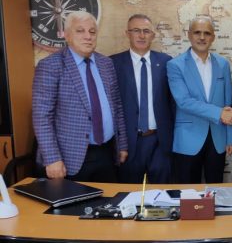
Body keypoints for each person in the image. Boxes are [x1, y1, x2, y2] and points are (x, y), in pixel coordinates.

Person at [32, 11, 128, 182]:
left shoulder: (106, 64)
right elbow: (42, 117)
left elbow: (117, 106)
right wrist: (52, 158)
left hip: (106, 152)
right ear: (67, 35)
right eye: (80, 31)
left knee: (107, 198)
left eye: (92, 31)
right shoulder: (50, 66)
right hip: (70, 157)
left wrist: (122, 145)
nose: (88, 36)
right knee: (74, 200)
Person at [167, 15, 232, 183]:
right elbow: (184, 102)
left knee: (216, 189)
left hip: (218, 138)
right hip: (188, 139)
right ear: (189, 35)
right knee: (188, 191)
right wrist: (219, 113)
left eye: (207, 33)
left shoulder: (223, 64)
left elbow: (228, 103)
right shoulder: (175, 65)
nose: (202, 37)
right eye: (197, 32)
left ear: (213, 37)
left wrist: (230, 137)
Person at [110, 14, 174, 183]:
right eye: (136, 30)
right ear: (127, 33)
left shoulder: (166, 62)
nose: (141, 35)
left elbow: (173, 103)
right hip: (128, 143)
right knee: (129, 192)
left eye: (146, 31)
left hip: (160, 141)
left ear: (153, 35)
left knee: (162, 192)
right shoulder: (113, 63)